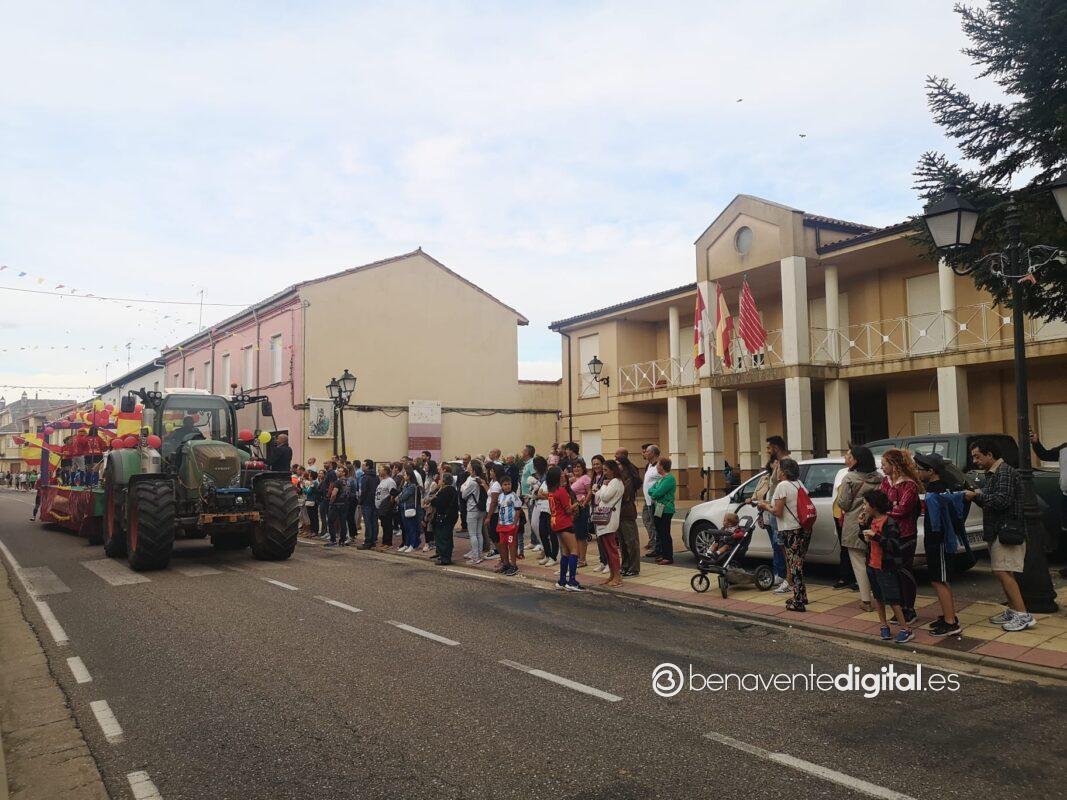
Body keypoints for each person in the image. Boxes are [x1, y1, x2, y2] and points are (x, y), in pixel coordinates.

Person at [965, 439, 1035, 632]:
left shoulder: (1004, 472)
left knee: (1003, 571)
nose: (975, 461)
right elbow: (992, 499)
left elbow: (1001, 501)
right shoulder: (995, 473)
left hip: (1006, 531)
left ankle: (1023, 615)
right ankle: (1013, 610)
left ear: (990, 454)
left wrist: (976, 496)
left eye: (977, 456)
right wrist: (978, 495)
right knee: (1002, 571)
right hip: (998, 530)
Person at [914, 451, 965, 636]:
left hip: (939, 541)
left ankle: (951, 622)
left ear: (931, 471)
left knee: (940, 580)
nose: (918, 472)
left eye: (920, 469)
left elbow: (937, 522)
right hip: (938, 541)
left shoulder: (937, 490)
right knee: (940, 579)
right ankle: (948, 615)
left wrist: (935, 541)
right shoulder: (939, 487)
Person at [756, 457, 809, 612]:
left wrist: (765, 506)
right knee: (798, 564)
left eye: (779, 469)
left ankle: (798, 601)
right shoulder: (798, 483)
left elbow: (777, 511)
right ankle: (802, 595)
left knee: (794, 566)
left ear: (784, 472)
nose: (776, 471)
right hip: (803, 529)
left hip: (790, 530)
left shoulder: (783, 486)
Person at [861, 490, 914, 644]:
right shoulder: (870, 520)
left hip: (886, 567)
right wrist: (861, 527)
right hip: (872, 564)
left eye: (865, 504)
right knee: (878, 597)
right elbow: (867, 541)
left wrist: (876, 536)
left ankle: (906, 629)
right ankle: (883, 625)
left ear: (874, 506)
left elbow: (894, 545)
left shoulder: (889, 522)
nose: (863, 507)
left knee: (893, 599)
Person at [835, 445, 881, 613]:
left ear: (856, 460)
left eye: (849, 456)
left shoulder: (849, 478)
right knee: (876, 561)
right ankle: (882, 598)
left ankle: (866, 601)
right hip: (876, 524)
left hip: (855, 525)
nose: (846, 459)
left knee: (859, 564)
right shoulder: (879, 478)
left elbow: (843, 503)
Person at [879, 449, 921, 625]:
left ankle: (909, 609)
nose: (882, 467)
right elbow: (880, 502)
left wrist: (885, 512)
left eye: (884, 464)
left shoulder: (909, 485)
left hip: (905, 534)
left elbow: (903, 509)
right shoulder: (886, 482)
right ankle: (899, 608)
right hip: (889, 534)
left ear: (894, 465)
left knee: (904, 572)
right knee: (893, 573)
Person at [752, 436, 789, 589]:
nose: (767, 451)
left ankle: (781, 575)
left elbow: (782, 489)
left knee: (779, 545)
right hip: (772, 510)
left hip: (777, 510)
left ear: (776, 447)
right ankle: (780, 574)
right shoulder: (779, 463)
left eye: (769, 448)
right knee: (777, 544)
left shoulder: (785, 464)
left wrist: (769, 506)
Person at [1031, 429, 1067, 578]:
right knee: (1065, 531)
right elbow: (1044, 455)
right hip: (1065, 496)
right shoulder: (1064, 449)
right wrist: (1036, 442)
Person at [545, 466, 582, 591]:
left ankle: (562, 580)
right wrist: (577, 503)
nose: (563, 475)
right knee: (574, 550)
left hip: (555, 522)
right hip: (565, 523)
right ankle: (572, 581)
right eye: (561, 474)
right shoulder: (561, 491)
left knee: (565, 551)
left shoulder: (551, 491)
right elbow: (568, 509)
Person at [592, 460, 624, 587]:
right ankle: (612, 575)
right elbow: (597, 497)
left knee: (611, 550)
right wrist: (601, 489)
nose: (604, 473)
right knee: (607, 550)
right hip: (605, 519)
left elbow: (604, 497)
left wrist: (603, 487)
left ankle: (617, 577)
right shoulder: (611, 482)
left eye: (606, 470)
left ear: (613, 470)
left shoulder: (615, 482)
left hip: (610, 519)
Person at [614, 448, 643, 577]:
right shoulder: (618, 477)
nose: (617, 466)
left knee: (631, 541)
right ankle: (625, 565)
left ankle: (634, 567)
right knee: (622, 541)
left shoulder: (628, 477)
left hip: (627, 511)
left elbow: (625, 495)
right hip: (619, 512)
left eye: (618, 464)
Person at [647, 456, 677, 564]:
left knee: (665, 533)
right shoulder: (661, 479)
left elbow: (657, 493)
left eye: (658, 464)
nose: (656, 467)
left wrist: (655, 493)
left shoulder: (669, 479)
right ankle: (663, 554)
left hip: (666, 509)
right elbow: (650, 490)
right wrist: (655, 492)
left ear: (662, 466)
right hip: (659, 508)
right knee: (660, 532)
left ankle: (668, 557)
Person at [530, 457, 557, 567]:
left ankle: (554, 557)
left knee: (552, 535)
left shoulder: (556, 484)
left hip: (551, 511)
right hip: (543, 510)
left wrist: (544, 495)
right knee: (542, 533)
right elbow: (539, 493)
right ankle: (547, 554)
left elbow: (552, 495)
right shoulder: (545, 482)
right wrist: (544, 495)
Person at [462, 460, 488, 564]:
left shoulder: (472, 482)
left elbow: (463, 495)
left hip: (472, 509)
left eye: (470, 466)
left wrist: (464, 487)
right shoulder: (481, 480)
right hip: (481, 509)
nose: (468, 466)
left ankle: (475, 557)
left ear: (473, 470)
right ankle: (479, 554)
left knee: (473, 534)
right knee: (478, 533)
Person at [431, 474, 459, 566]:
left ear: (444, 481)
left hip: (444, 517)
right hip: (451, 517)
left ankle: (445, 558)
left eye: (440, 479)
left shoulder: (445, 491)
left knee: (442, 537)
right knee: (448, 537)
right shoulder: (453, 490)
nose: (439, 481)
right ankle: (445, 556)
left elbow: (439, 503)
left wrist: (433, 500)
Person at [495, 474, 521, 576]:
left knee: (511, 544)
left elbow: (518, 511)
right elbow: (500, 510)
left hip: (511, 525)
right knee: (502, 544)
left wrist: (514, 524)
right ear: (501, 486)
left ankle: (514, 565)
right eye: (505, 484)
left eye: (509, 484)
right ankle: (506, 564)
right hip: (502, 525)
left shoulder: (514, 496)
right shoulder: (500, 496)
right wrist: (499, 521)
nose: (507, 486)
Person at [570, 459, 592, 567]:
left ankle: (582, 560)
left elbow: (589, 492)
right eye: (574, 467)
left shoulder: (585, 478)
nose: (576, 468)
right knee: (575, 534)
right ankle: (578, 557)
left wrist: (584, 504)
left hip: (582, 508)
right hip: (574, 509)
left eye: (578, 466)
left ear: (583, 468)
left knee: (581, 535)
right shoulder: (573, 479)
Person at [641, 444, 662, 556]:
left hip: (656, 502)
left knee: (657, 524)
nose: (645, 453)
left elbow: (662, 481)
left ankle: (658, 548)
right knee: (649, 521)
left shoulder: (659, 466)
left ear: (653, 453)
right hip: (648, 501)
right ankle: (654, 543)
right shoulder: (649, 465)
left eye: (647, 452)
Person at [397, 465, 423, 553]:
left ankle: (412, 544)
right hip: (403, 508)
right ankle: (406, 544)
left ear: (409, 476)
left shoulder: (413, 486)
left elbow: (403, 496)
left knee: (411, 527)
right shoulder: (406, 485)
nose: (403, 476)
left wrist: (399, 498)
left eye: (405, 475)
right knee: (406, 528)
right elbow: (401, 494)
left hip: (409, 508)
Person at [357, 459, 380, 549]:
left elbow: (363, 491)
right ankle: (373, 540)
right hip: (374, 502)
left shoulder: (365, 477)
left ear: (367, 466)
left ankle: (368, 541)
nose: (362, 466)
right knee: (374, 521)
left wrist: (360, 502)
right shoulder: (376, 477)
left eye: (363, 465)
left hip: (366, 503)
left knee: (368, 522)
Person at [324, 466, 349, 547]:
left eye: (339, 471)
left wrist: (331, 502)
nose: (337, 472)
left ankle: (333, 540)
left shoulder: (338, 482)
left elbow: (334, 494)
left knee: (330, 521)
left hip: (337, 504)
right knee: (343, 523)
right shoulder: (348, 481)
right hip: (345, 504)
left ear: (344, 473)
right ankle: (342, 541)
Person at [375, 463, 397, 549]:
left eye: (380, 469)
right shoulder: (382, 480)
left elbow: (393, 493)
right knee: (384, 525)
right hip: (380, 507)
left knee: (388, 525)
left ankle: (388, 543)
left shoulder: (390, 481)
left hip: (386, 507)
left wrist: (389, 504)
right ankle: (384, 541)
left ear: (385, 471)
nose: (378, 470)